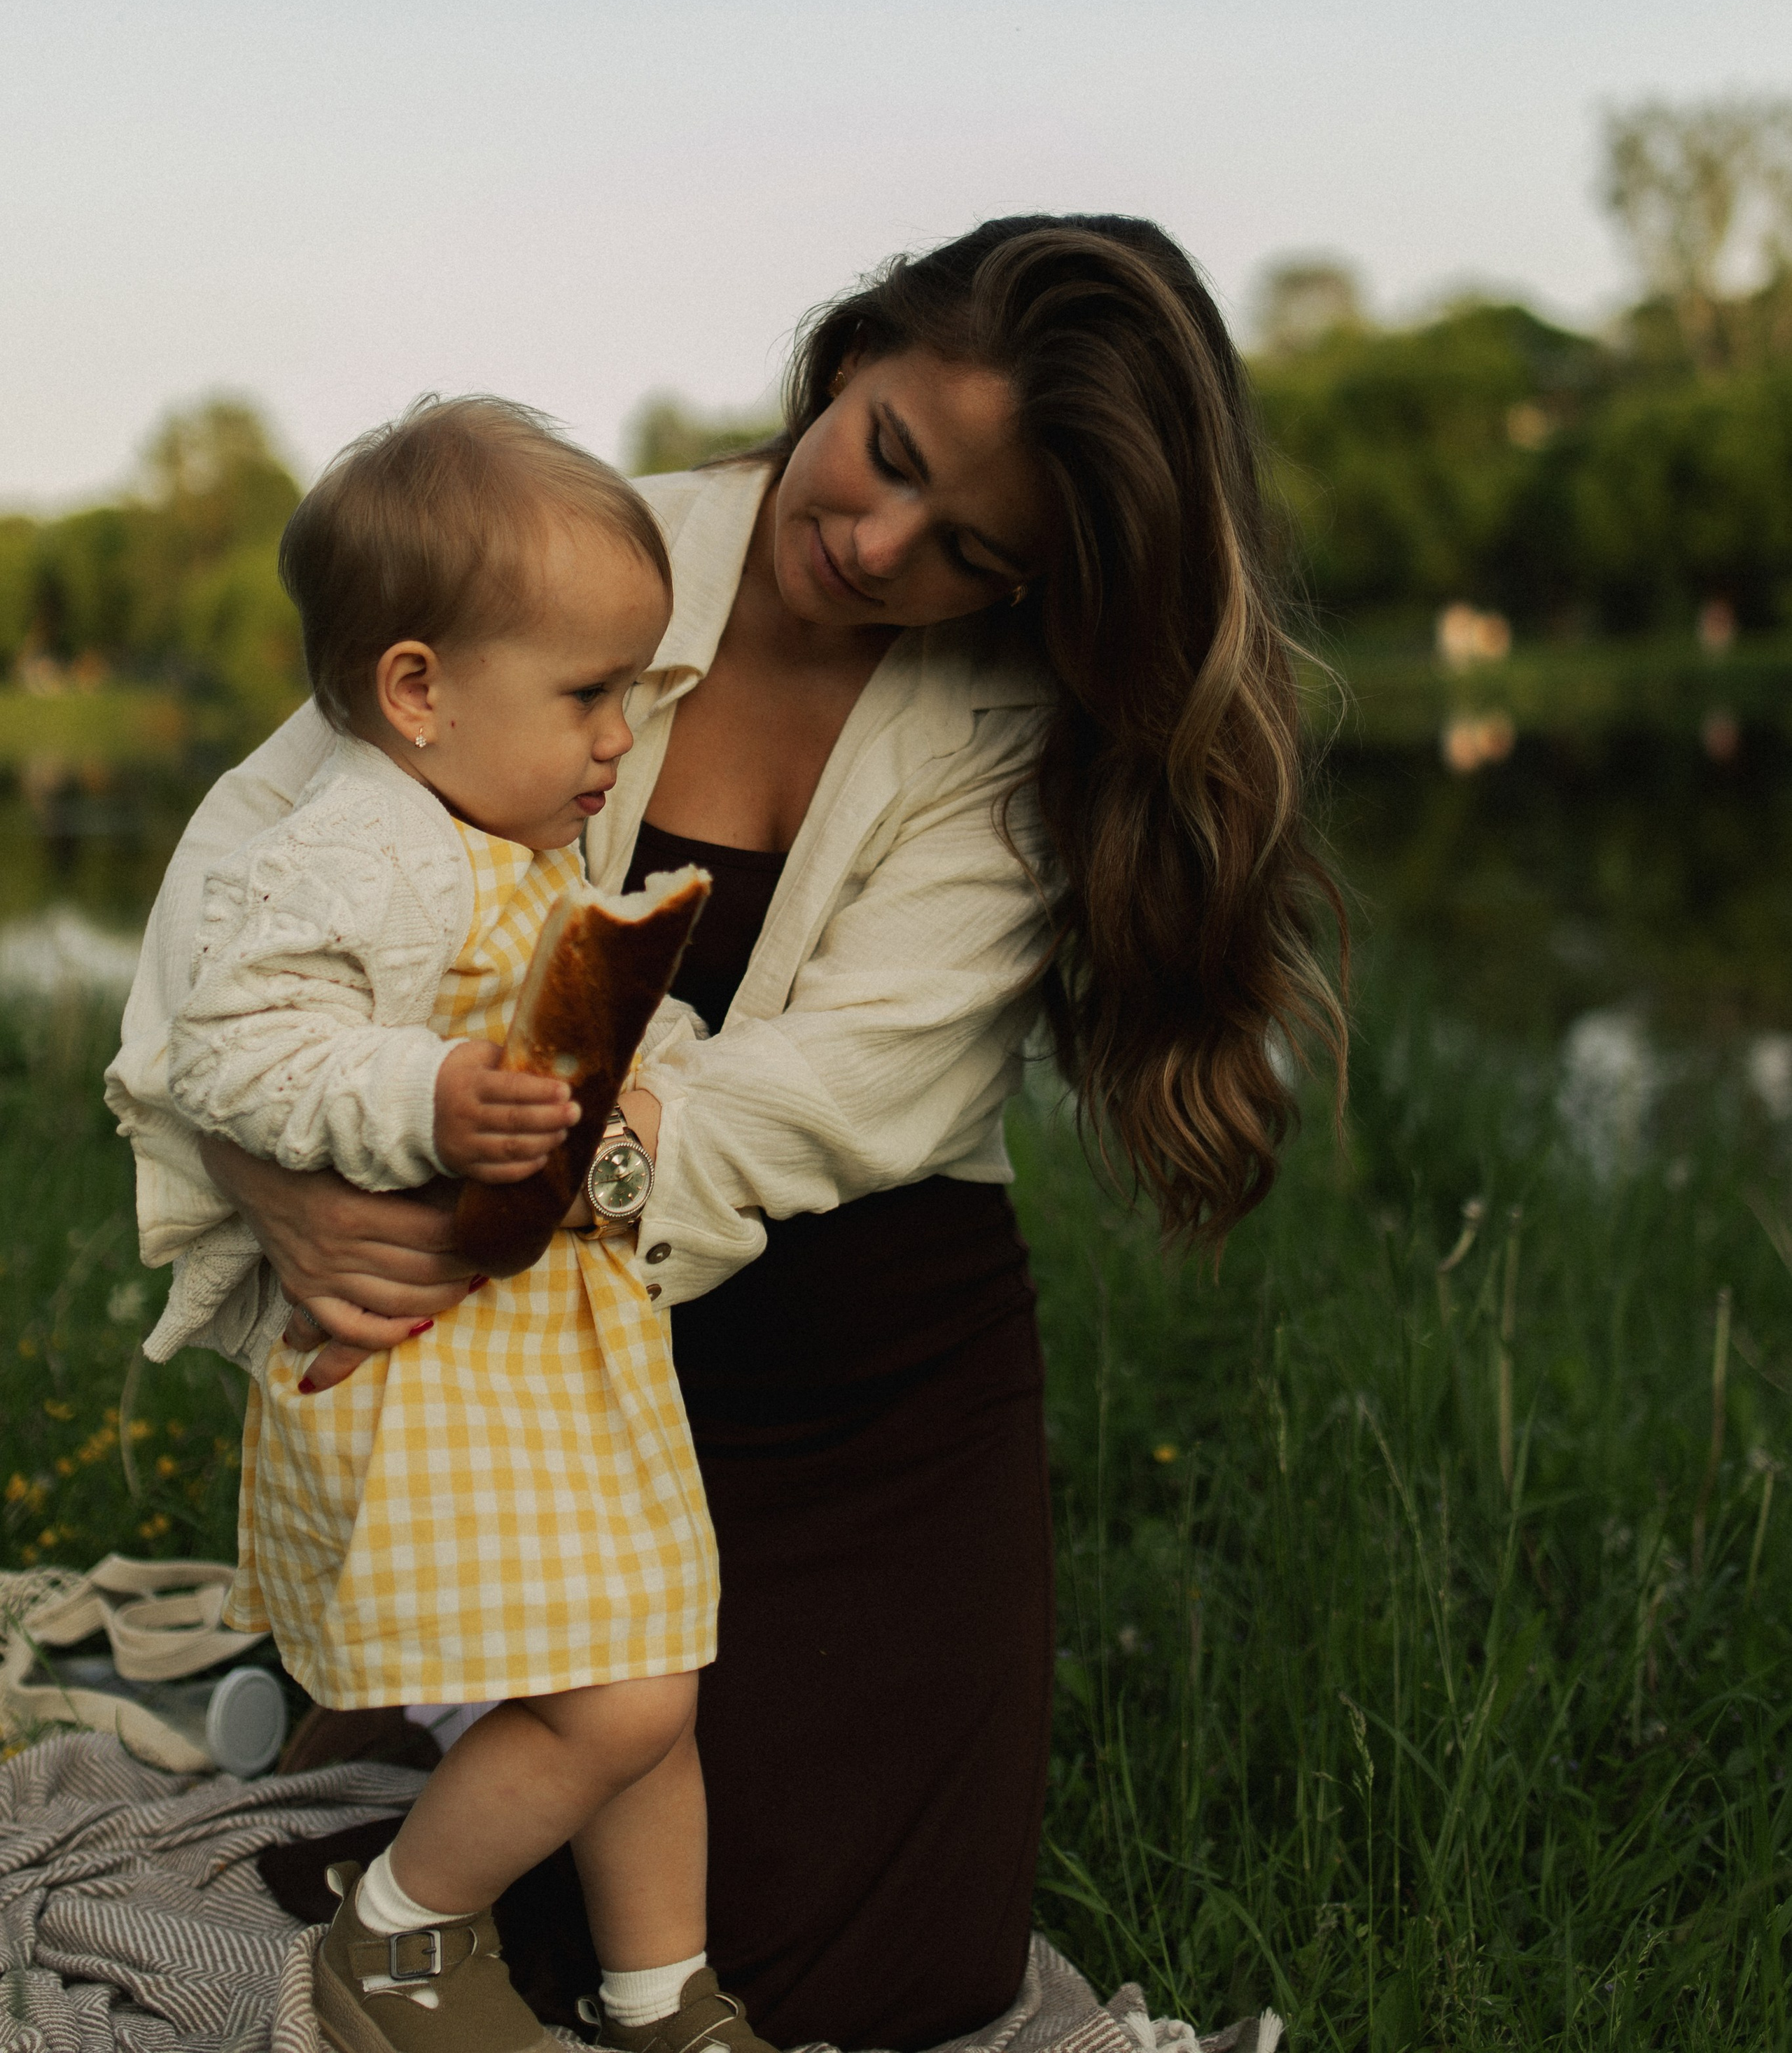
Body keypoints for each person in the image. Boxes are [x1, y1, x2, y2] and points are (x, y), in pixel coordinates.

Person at [111, 216, 1343, 2053]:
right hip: (510, 1337)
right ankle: (380, 1721)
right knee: (531, 1898)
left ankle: (386, 1720)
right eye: (890, 456)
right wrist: (284, 1180)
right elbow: (238, 906)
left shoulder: (1006, 732)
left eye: (973, 551)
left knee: (845, 1974)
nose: (875, 543)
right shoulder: (569, 550)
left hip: (842, 1361)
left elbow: (815, 1109)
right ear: (851, 354)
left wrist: (499, 1201)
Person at [112, 398, 772, 2053]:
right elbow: (234, 1042)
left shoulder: (511, 840)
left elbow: (577, 1015)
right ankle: (391, 1945)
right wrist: (422, 1098)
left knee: (646, 1680)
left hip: (549, 1374)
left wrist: (642, 1079)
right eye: (586, 695)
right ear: (416, 690)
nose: (623, 738)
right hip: (427, 1368)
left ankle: (659, 2000)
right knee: (624, 1694)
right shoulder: (363, 848)